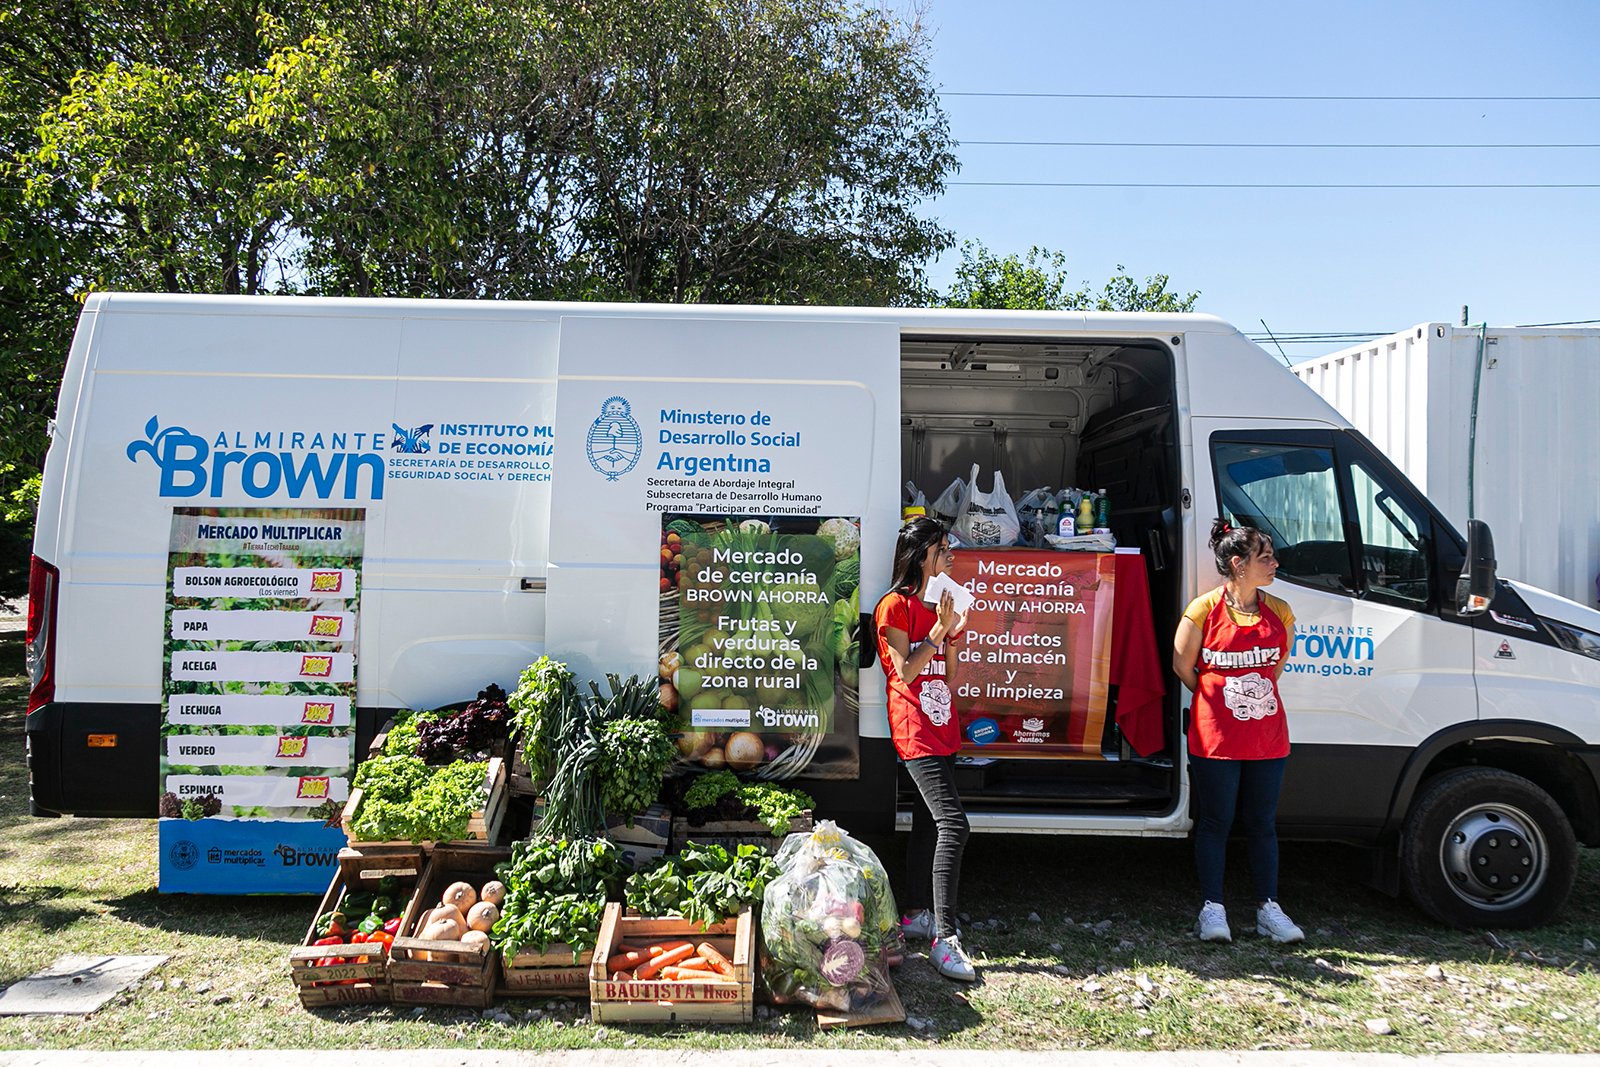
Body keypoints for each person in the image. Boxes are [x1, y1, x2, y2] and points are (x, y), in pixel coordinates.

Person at [1172, 518, 1306, 945]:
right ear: (1238, 563)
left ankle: (1269, 909)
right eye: (1265, 558)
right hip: (1215, 737)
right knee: (1216, 821)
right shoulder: (1202, 610)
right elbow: (1182, 666)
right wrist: (1217, 698)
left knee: (1263, 823)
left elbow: (1275, 669)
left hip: (1267, 736)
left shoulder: (1280, 611)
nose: (1275, 564)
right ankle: (1213, 908)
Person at [873, 515, 976, 981]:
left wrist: (953, 633)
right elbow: (906, 672)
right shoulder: (893, 607)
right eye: (942, 549)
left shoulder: (940, 603)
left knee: (928, 826)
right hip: (914, 727)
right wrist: (937, 631)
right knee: (954, 824)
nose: (950, 556)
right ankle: (945, 939)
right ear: (920, 558)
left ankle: (917, 914)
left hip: (942, 723)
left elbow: (949, 677)